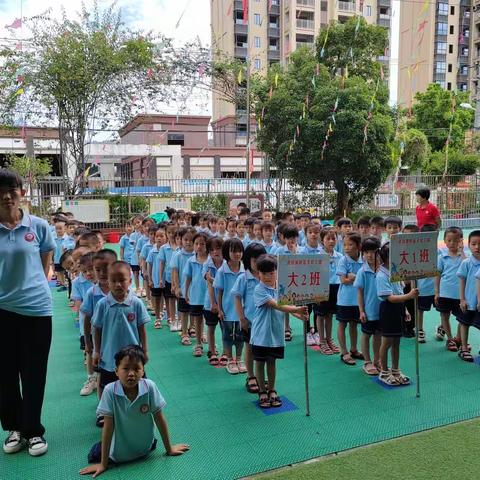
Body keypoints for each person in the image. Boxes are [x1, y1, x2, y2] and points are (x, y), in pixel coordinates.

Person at [0, 170, 55, 457]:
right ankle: (14, 428)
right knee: (5, 374)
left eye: (13, 189)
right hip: (2, 312)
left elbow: (45, 261)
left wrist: (33, 286)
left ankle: (33, 430)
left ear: (22, 191)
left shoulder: (40, 226)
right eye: (2, 190)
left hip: (36, 309)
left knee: (34, 373)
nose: (7, 195)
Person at [79, 345, 189, 478]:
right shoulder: (110, 391)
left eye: (136, 369)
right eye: (125, 368)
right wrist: (103, 464)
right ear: (116, 371)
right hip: (141, 450)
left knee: (94, 453)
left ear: (143, 371)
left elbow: (159, 418)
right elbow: (109, 427)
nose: (131, 373)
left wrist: (104, 463)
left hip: (126, 454)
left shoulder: (148, 387)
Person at [251, 254, 308, 409]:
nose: (269, 276)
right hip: (261, 334)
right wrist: (297, 308)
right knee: (260, 362)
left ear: (277, 271)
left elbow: (287, 307)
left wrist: (300, 315)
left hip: (276, 334)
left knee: (272, 362)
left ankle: (272, 389)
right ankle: (262, 391)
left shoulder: (281, 287)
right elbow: (277, 305)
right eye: (265, 273)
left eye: (272, 272)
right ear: (258, 274)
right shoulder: (259, 289)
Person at [92, 261, 150, 395]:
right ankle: (103, 411)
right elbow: (97, 329)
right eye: (113, 281)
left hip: (133, 356)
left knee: (137, 382)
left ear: (130, 281)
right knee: (106, 385)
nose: (118, 284)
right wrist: (96, 351)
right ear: (108, 282)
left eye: (122, 280)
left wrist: (145, 350)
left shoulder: (136, 303)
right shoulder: (102, 304)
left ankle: (137, 406)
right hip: (108, 355)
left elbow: (142, 328)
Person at [376, 243, 418, 386]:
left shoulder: (395, 271)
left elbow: (398, 291)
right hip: (388, 309)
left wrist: (405, 309)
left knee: (396, 342)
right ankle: (384, 371)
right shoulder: (381, 275)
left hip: (398, 307)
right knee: (387, 342)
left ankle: (395, 370)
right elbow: (390, 298)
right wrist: (409, 296)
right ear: (386, 258)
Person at [232, 243, 267, 394]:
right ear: (248, 260)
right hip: (250, 321)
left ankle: (262, 376)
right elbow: (237, 299)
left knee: (264, 350)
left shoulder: (268, 276)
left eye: (261, 259)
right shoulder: (243, 278)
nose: (257, 263)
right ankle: (251, 376)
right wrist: (242, 318)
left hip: (265, 321)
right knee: (250, 348)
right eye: (254, 259)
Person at [214, 238, 246, 374]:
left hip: (242, 311)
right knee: (227, 336)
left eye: (239, 251)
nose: (237, 254)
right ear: (227, 252)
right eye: (234, 251)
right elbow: (219, 291)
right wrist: (220, 309)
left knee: (240, 336)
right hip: (227, 310)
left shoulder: (245, 269)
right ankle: (229, 359)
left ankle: (239, 358)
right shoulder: (222, 271)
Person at [354, 237, 382, 376]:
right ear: (363, 253)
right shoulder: (362, 271)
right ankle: (367, 361)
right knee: (366, 335)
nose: (370, 255)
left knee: (378, 335)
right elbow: (359, 293)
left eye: (373, 252)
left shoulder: (384, 269)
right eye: (366, 252)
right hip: (369, 311)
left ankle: (377, 360)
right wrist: (361, 311)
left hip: (382, 310)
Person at [336, 232, 364, 365]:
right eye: (344, 244)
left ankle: (354, 349)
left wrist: (353, 277)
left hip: (358, 300)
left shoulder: (363, 259)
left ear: (358, 246)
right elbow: (343, 280)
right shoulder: (343, 260)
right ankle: (344, 352)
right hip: (345, 299)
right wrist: (352, 278)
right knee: (342, 324)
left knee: (354, 324)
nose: (346, 247)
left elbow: (359, 278)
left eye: (350, 245)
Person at [434, 227, 463, 351]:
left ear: (461, 241)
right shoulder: (442, 257)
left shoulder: (464, 257)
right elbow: (438, 275)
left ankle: (459, 338)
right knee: (444, 316)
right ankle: (450, 339)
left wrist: (462, 252)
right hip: (445, 293)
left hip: (460, 295)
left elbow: (466, 268)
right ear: (445, 241)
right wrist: (436, 292)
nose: (452, 243)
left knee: (462, 318)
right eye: (449, 240)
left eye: (456, 240)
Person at [313, 227, 341, 354]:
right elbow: (313, 275)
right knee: (320, 314)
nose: (331, 241)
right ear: (322, 240)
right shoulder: (317, 257)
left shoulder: (339, 256)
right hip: (321, 288)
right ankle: (322, 340)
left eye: (333, 238)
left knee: (329, 314)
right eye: (328, 239)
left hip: (335, 288)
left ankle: (329, 339)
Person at [457, 230, 480, 362]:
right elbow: (462, 281)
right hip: (469, 300)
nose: (477, 247)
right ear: (469, 245)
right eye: (474, 244)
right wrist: (462, 299)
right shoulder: (466, 263)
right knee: (464, 324)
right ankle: (464, 348)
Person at [185, 233, 209, 357]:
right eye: (197, 244)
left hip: (210, 297)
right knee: (198, 320)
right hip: (196, 295)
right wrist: (186, 292)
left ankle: (211, 345)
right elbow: (188, 278)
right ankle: (198, 344)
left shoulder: (211, 261)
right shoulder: (191, 260)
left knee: (210, 322)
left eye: (202, 244)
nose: (199, 246)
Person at [203, 237, 225, 366]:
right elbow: (209, 285)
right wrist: (213, 303)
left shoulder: (227, 263)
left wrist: (220, 305)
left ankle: (225, 353)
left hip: (225, 302)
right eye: (212, 250)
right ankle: (212, 351)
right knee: (211, 327)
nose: (215, 252)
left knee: (224, 328)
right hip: (210, 302)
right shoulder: (208, 264)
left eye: (218, 248)